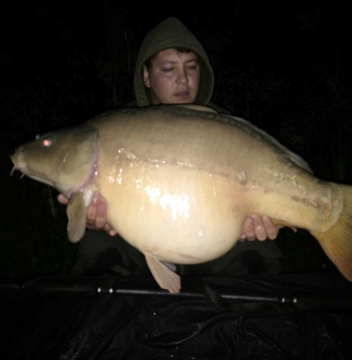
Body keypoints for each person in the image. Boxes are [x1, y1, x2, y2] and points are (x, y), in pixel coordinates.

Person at [59, 17, 282, 276]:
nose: (183, 80)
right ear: (146, 76)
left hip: (212, 241)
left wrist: (257, 224)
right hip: (140, 244)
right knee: (97, 244)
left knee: (259, 253)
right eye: (168, 69)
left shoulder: (227, 127)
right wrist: (92, 216)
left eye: (191, 67)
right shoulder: (119, 126)